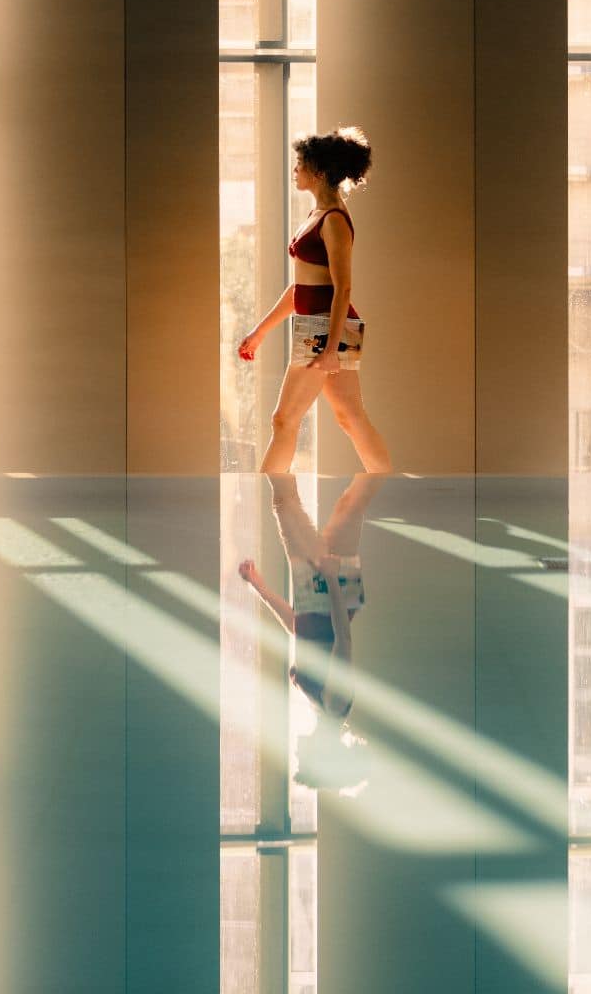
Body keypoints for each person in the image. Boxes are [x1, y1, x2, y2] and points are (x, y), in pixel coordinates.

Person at [234, 127, 393, 476]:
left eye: (300, 164)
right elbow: (301, 288)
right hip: (320, 326)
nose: (295, 170)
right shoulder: (318, 215)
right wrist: (261, 332)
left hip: (324, 328)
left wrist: (331, 347)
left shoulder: (334, 220)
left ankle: (269, 494)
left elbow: (342, 288)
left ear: (318, 172)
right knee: (350, 417)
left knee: (284, 419)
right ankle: (386, 484)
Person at [236, 472, 381, 733]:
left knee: (340, 505)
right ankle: (378, 467)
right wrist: (331, 577)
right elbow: (343, 640)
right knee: (294, 503)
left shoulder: (320, 705)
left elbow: (299, 631)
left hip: (316, 598)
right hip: (326, 593)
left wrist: (259, 587)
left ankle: (377, 467)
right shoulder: (334, 706)